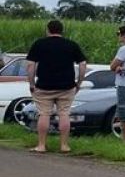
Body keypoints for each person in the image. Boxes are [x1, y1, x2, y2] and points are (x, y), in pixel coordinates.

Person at [25, 20, 88, 153]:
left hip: (44, 86)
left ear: (47, 30)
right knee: (64, 114)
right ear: (62, 31)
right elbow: (82, 64)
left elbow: (30, 65)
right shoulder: (71, 45)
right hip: (66, 86)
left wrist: (31, 84)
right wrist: (79, 83)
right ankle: (64, 145)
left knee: (44, 114)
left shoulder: (39, 44)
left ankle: (41, 145)